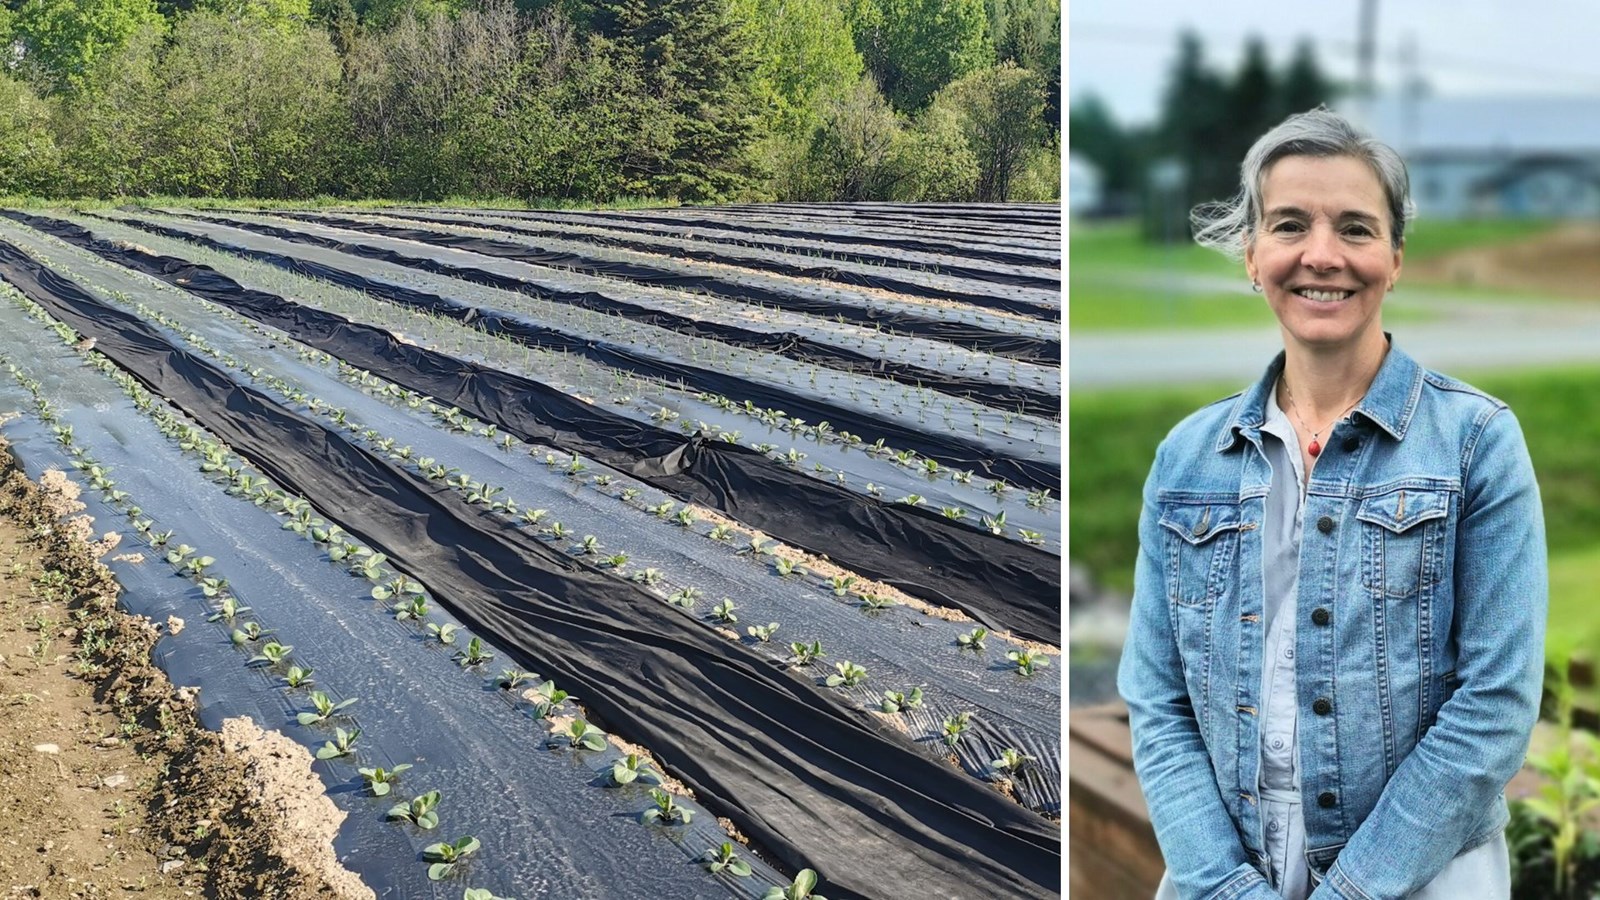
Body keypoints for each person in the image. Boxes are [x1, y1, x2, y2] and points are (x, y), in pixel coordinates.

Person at [1116, 107, 1547, 900]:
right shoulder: (1186, 458)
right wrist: (1222, 886)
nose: (1322, 255)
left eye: (1355, 227)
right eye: (1290, 225)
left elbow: (1495, 707)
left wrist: (1353, 890)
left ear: (1395, 257)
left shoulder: (1475, 442)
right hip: (1224, 873)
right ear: (1252, 255)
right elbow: (1157, 697)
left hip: (1422, 870)